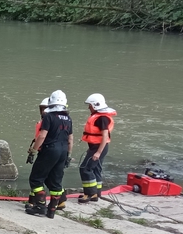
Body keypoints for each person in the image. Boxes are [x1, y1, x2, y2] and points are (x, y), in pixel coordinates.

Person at [26, 90, 73, 219]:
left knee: (36, 179)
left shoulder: (49, 117)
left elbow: (42, 136)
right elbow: (70, 139)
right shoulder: (68, 118)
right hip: (63, 151)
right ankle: (51, 210)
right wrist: (68, 155)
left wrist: (33, 150)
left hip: (50, 150)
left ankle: (40, 206)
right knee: (55, 181)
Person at [78, 93, 117, 203]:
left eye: (90, 105)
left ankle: (90, 194)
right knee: (95, 169)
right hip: (97, 147)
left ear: (95, 105)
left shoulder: (102, 118)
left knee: (85, 168)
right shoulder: (101, 117)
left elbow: (105, 136)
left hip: (98, 148)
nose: (89, 107)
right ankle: (96, 193)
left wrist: (98, 152)